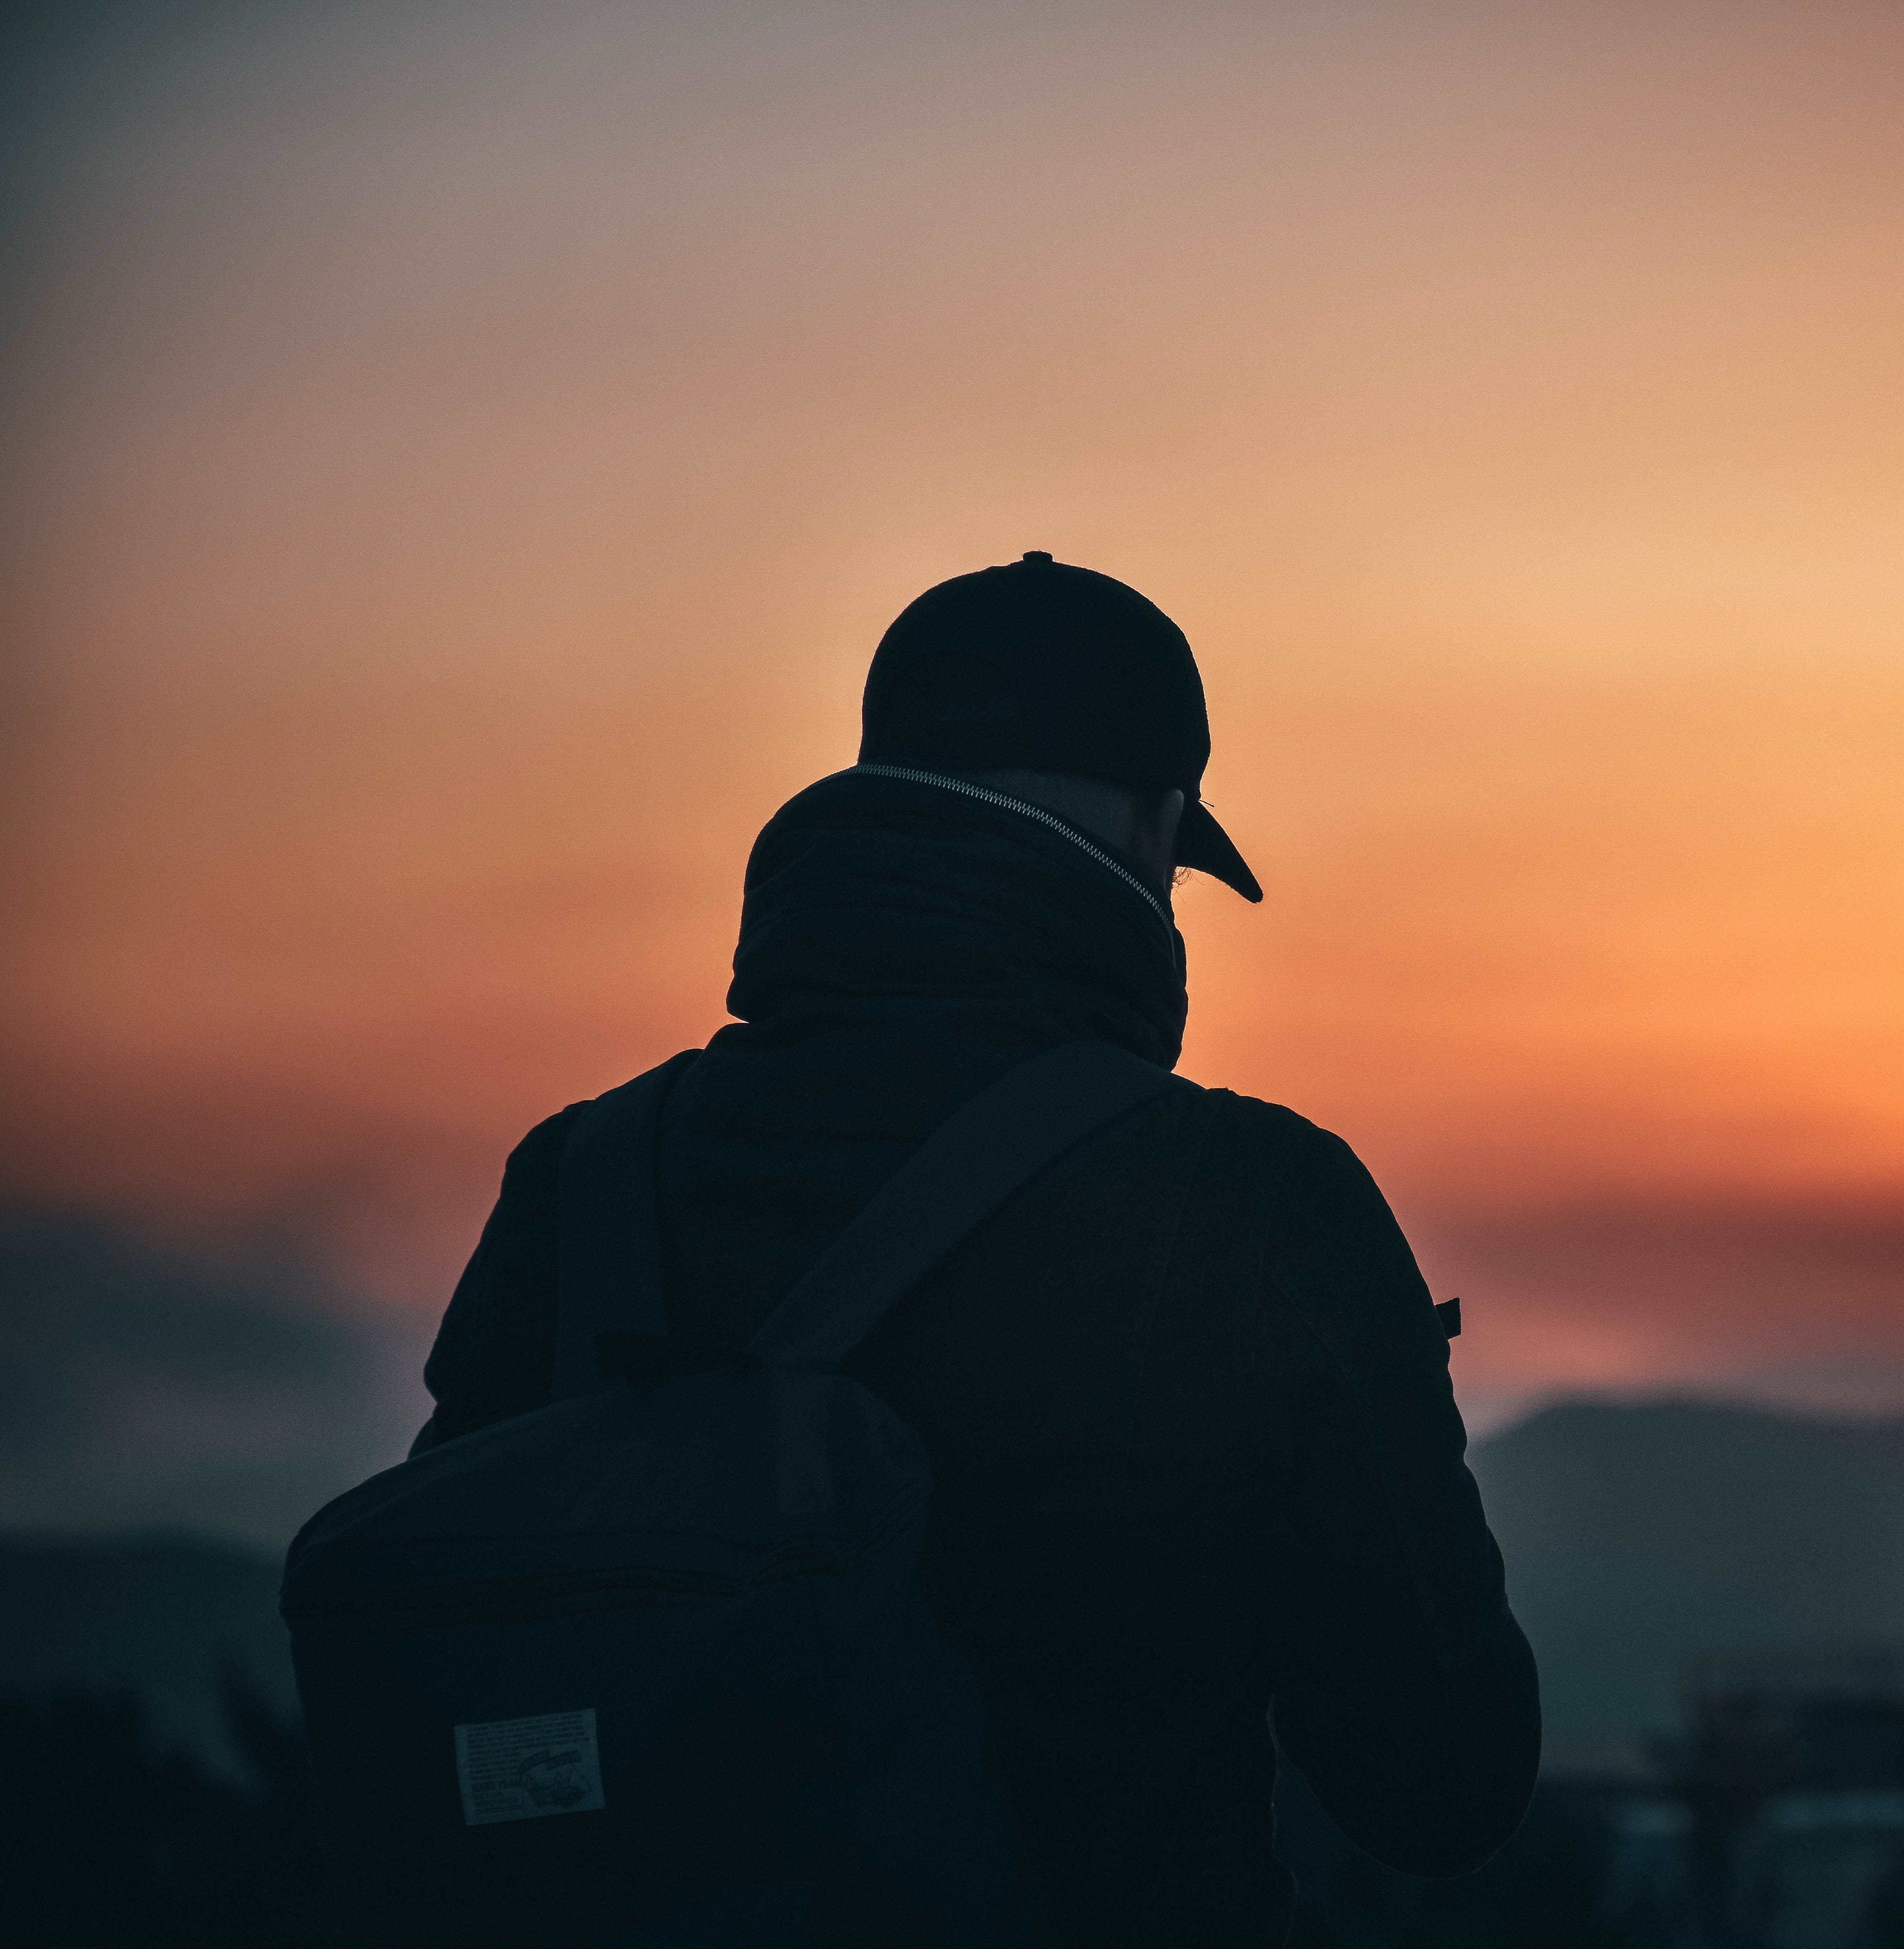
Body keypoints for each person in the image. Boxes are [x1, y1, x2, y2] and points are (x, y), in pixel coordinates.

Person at [412, 551, 1540, 1946]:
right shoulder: (1256, 1207)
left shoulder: (583, 1181)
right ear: (1152, 832)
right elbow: (1443, 1792)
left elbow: (450, 1659)